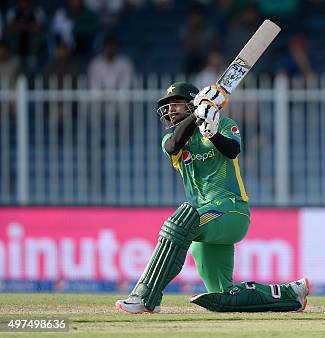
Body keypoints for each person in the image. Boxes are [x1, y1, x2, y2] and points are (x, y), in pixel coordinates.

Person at [115, 82, 309, 314]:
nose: (170, 111)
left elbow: (232, 150)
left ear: (189, 104)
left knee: (178, 224)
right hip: (205, 218)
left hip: (231, 210)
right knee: (224, 294)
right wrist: (198, 114)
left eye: (176, 104)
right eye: (167, 107)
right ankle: (291, 295)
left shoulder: (226, 124)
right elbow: (173, 145)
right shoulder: (172, 138)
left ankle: (146, 297)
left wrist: (213, 133)